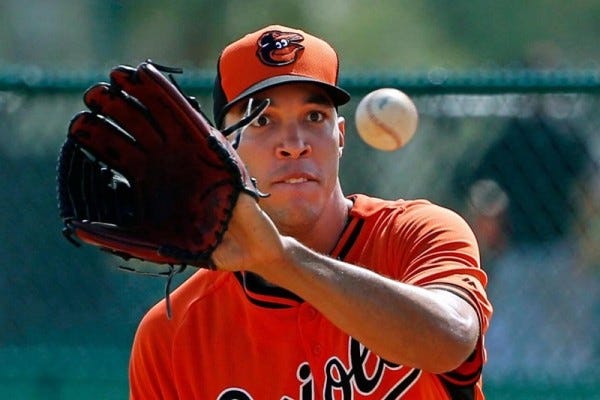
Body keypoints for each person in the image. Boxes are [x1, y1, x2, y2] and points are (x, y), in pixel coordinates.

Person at [128, 24, 493, 399]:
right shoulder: (172, 335)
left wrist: (282, 260)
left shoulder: (414, 234)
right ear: (224, 149)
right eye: (262, 121)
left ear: (341, 137)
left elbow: (452, 341)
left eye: (314, 117)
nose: (294, 144)